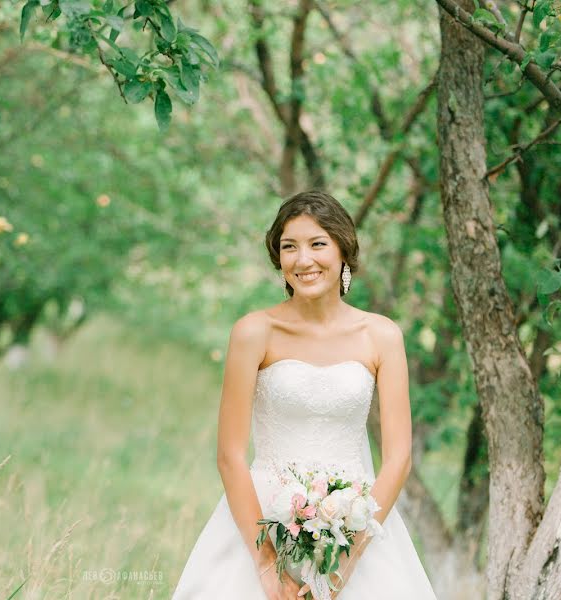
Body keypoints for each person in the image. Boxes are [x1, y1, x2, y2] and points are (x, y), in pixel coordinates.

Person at [171, 191, 438, 599]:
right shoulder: (253, 332)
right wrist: (265, 566)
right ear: (279, 260)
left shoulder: (381, 336)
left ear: (343, 250)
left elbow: (398, 458)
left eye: (318, 244)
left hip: (356, 520)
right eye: (289, 247)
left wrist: (347, 560)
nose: (303, 259)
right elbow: (230, 456)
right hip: (262, 517)